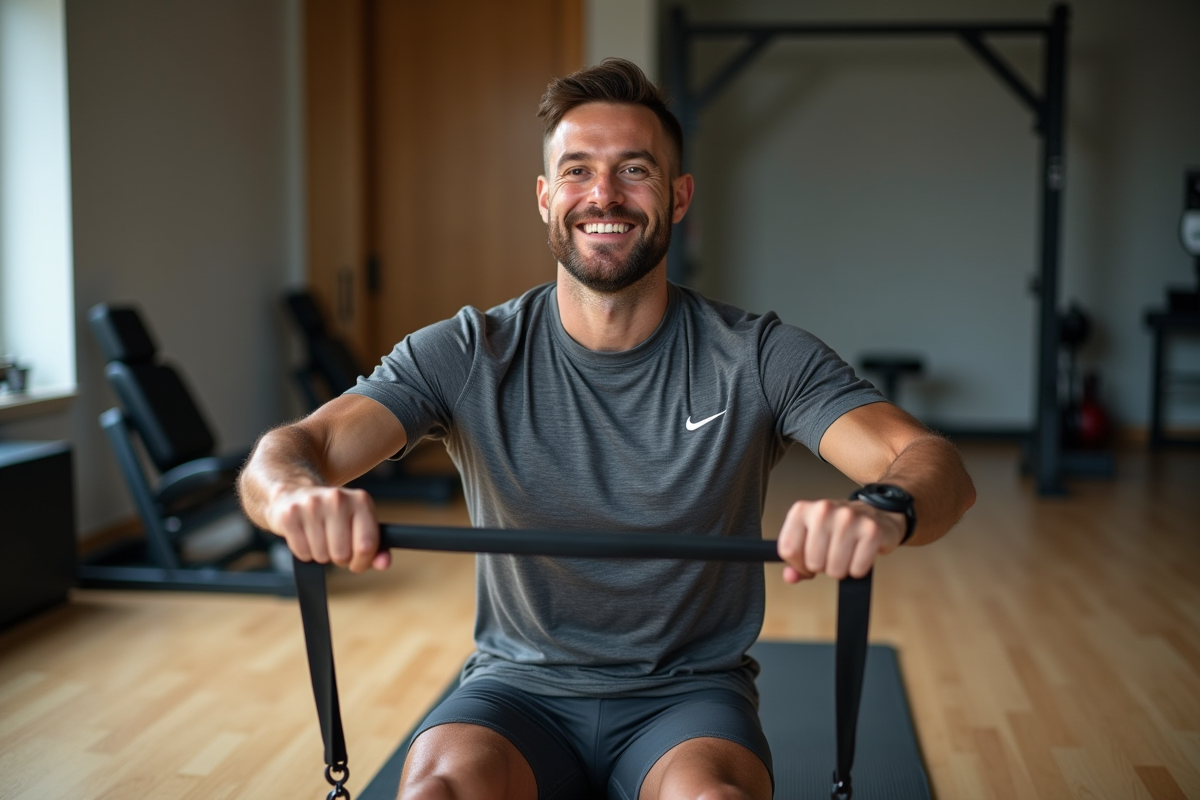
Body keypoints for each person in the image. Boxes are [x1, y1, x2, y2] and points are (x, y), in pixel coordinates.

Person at [238, 58, 975, 800]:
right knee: (437, 794)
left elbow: (927, 460)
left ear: (679, 197)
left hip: (688, 698)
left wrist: (881, 510)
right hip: (515, 691)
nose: (603, 195)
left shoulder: (755, 356)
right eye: (578, 170)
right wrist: (296, 496)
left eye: (634, 171)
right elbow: (303, 448)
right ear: (544, 196)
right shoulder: (468, 352)